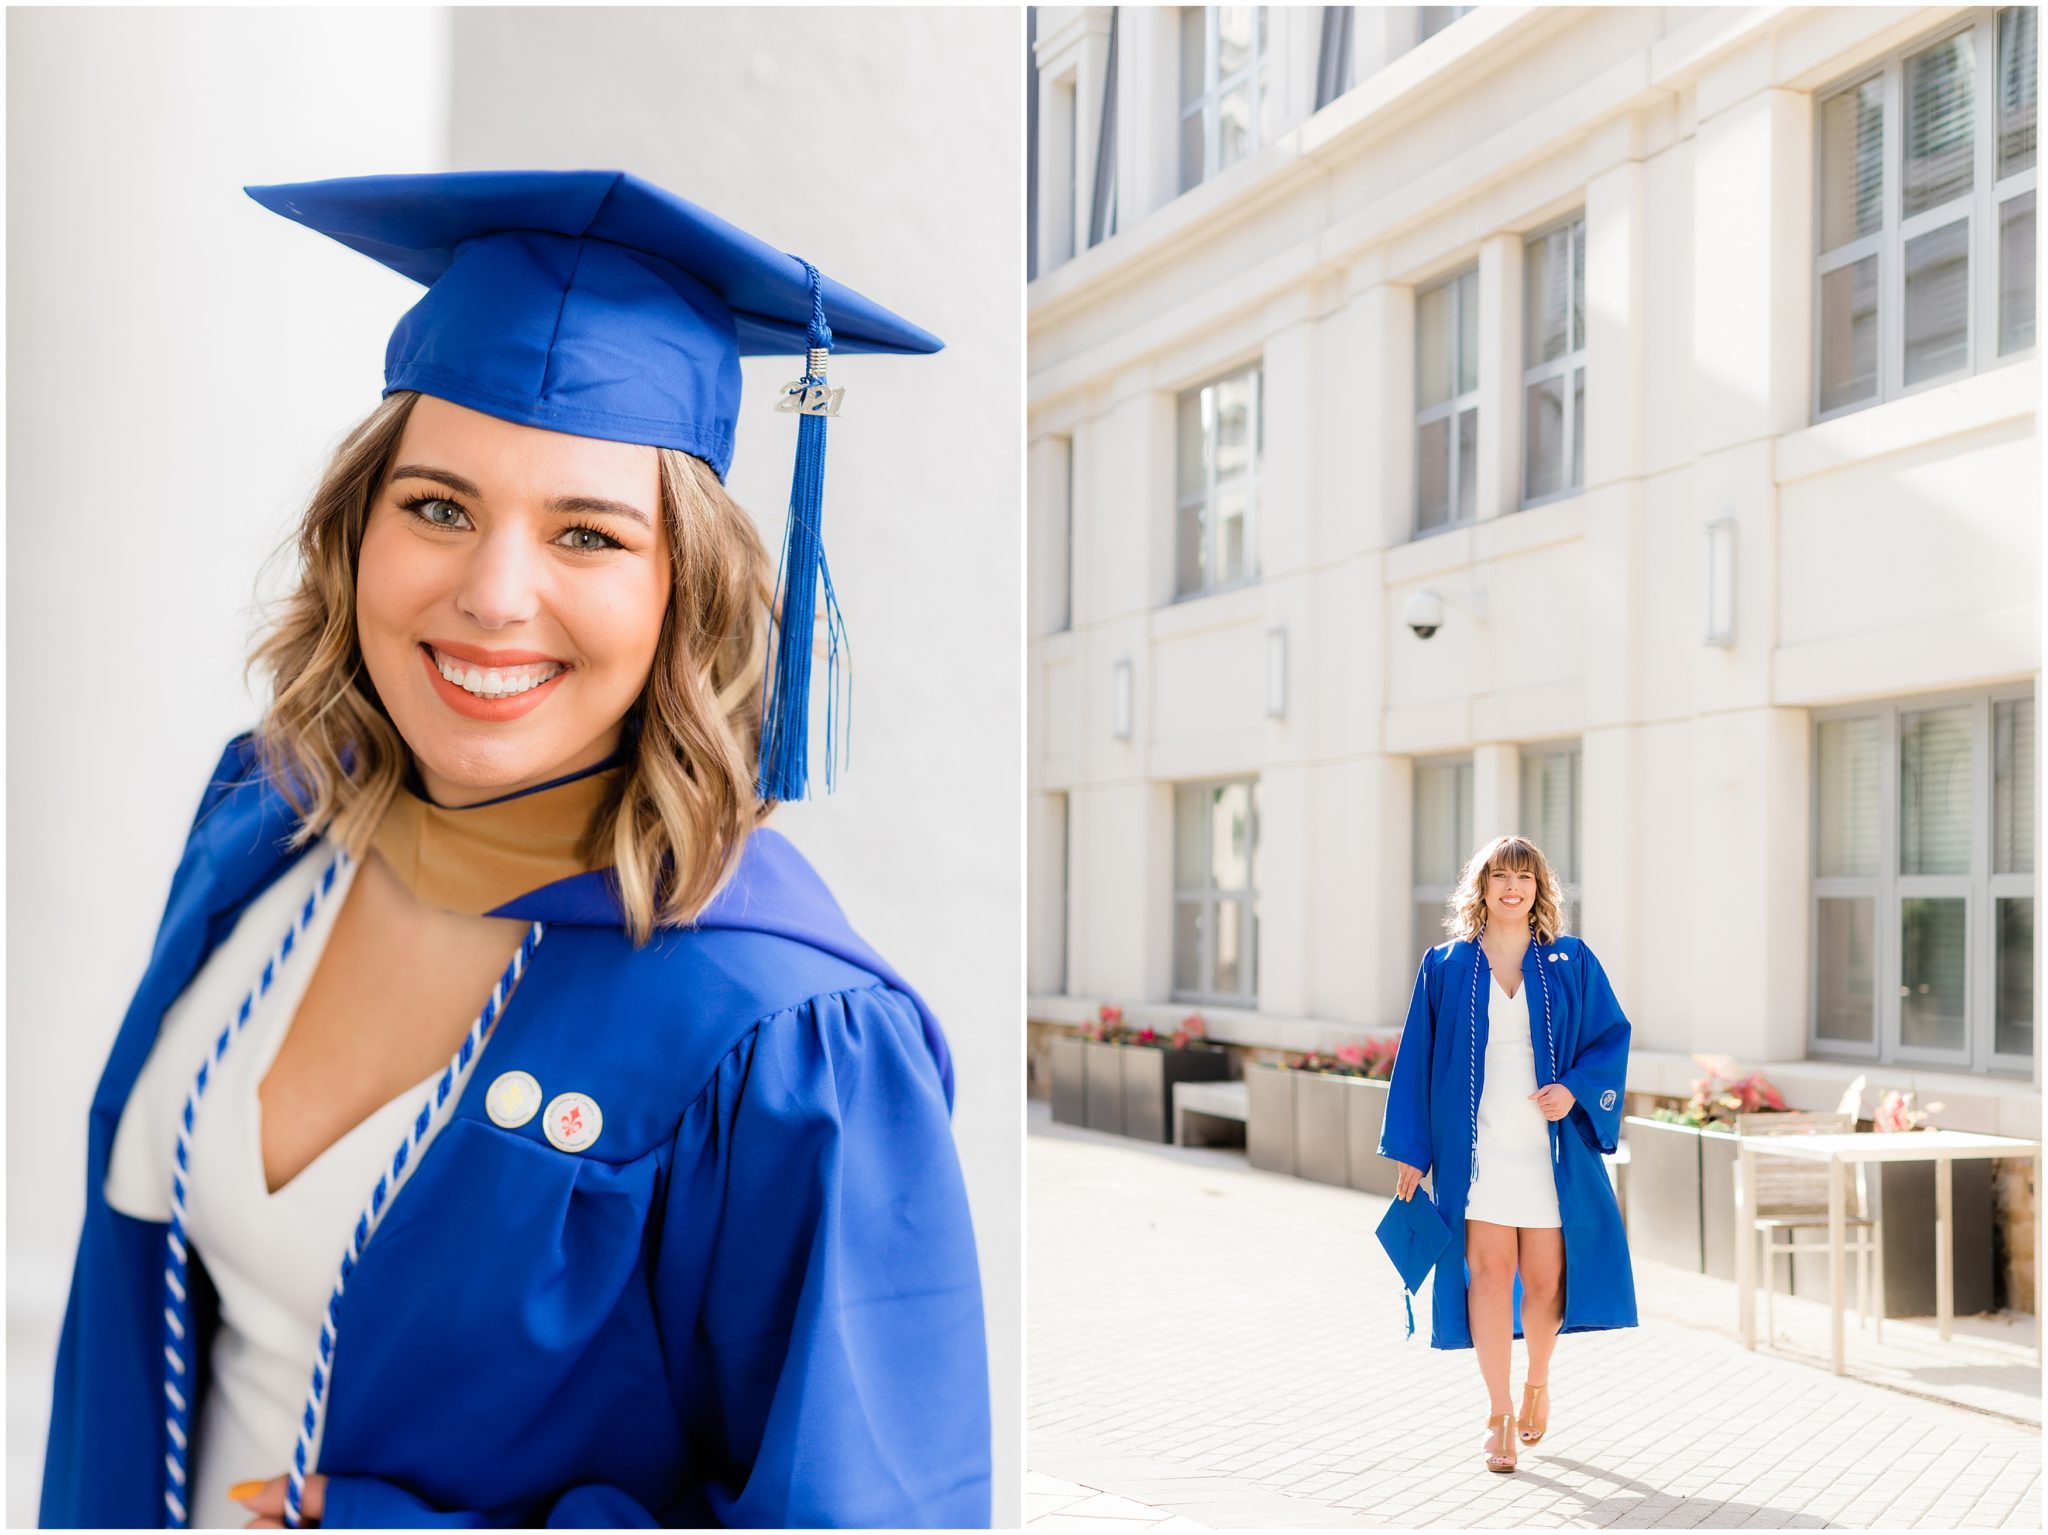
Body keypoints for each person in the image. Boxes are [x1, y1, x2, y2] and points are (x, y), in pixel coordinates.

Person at [39, 169, 991, 1529]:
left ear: (687, 595)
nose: (491, 595)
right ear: (355, 529)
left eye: (589, 534)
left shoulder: (784, 1039)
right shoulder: (263, 823)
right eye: (437, 505)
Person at [1378, 833, 1636, 1474]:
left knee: (1546, 1280)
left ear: (1539, 888)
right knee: (1489, 1278)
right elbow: (1414, 1057)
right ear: (1483, 888)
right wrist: (1412, 1149)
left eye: (1525, 876)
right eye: (1501, 877)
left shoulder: (1571, 962)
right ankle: (1496, 1415)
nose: (1513, 887)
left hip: (1547, 1151)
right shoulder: (1445, 965)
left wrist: (1573, 1090)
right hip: (1478, 1150)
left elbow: (1610, 1038)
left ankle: (1537, 1384)